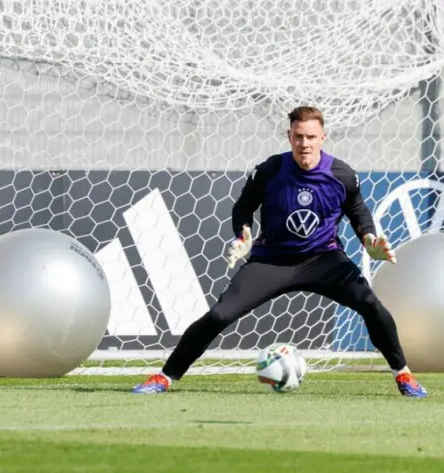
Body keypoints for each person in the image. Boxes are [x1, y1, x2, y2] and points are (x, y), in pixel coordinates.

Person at [132, 106, 427, 398]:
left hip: (323, 260)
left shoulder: (342, 175)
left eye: (311, 136)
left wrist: (370, 239)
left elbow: (358, 212)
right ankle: (165, 376)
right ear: (289, 137)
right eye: (298, 136)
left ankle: (403, 374)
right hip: (271, 261)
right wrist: (243, 235)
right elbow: (243, 208)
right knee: (220, 315)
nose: (304, 144)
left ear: (323, 137)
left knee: (371, 305)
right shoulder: (270, 170)